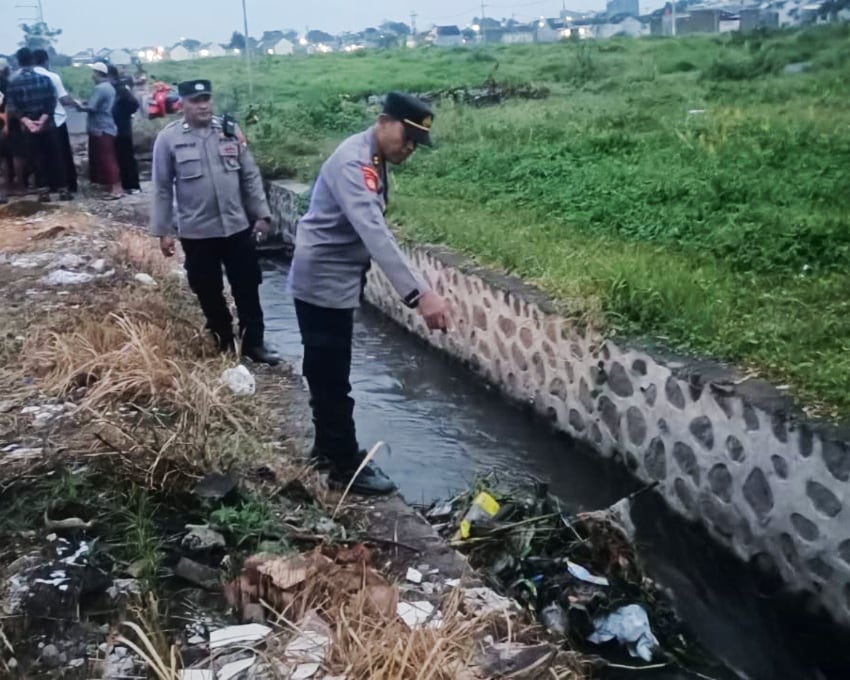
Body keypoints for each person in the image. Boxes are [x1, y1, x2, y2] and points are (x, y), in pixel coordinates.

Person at [290, 92, 450, 495]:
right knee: (332, 376)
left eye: (416, 143)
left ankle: (326, 449)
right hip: (322, 281)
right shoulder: (353, 163)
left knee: (326, 371)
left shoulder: (372, 157)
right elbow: (374, 232)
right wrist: (419, 294)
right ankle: (344, 465)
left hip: (335, 279)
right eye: (407, 137)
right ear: (383, 121)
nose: (409, 148)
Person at [150, 79, 280, 365]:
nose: (203, 105)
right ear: (181, 104)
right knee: (206, 288)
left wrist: (262, 214)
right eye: (196, 100)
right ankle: (222, 339)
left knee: (247, 286)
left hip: (236, 227)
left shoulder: (230, 132)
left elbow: (249, 175)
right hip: (197, 232)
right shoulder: (169, 139)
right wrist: (164, 231)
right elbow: (161, 187)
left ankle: (253, 343)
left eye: (206, 98)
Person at [5, 47, 69, 202]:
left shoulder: (14, 83)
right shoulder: (45, 79)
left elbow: (13, 108)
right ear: (32, 61)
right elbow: (51, 102)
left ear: (18, 62)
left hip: (28, 128)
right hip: (48, 125)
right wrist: (42, 120)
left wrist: (27, 121)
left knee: (37, 158)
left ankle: (43, 191)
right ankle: (63, 190)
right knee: (55, 157)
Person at [33, 49, 78, 195]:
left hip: (32, 122)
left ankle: (45, 186)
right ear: (46, 60)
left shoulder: (26, 77)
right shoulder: (52, 76)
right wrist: (77, 104)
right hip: (56, 120)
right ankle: (65, 186)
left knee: (40, 156)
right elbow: (63, 98)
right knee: (60, 155)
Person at [75, 62, 122, 199]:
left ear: (98, 73)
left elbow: (92, 107)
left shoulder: (100, 88)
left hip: (100, 127)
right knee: (106, 157)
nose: (92, 76)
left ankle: (116, 187)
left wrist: (78, 106)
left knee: (107, 158)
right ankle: (112, 185)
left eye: (94, 73)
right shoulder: (109, 87)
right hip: (106, 125)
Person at [107, 65, 140, 194]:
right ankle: (127, 184)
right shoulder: (118, 88)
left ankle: (131, 185)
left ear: (110, 76)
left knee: (125, 157)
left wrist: (122, 115)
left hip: (121, 128)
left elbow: (134, 103)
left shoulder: (119, 89)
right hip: (120, 127)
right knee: (122, 156)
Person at [0, 57, 10, 203]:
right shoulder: (5, 84)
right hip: (1, 123)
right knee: (3, 158)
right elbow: (5, 109)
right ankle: (5, 189)